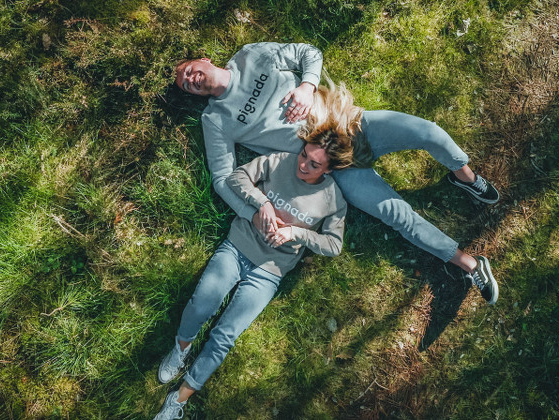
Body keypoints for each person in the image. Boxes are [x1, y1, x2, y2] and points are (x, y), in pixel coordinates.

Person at [174, 42, 498, 305]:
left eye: (188, 71)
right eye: (186, 86)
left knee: (429, 133)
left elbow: (308, 52)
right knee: (399, 217)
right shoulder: (216, 120)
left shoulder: (250, 56)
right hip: (332, 168)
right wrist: (256, 207)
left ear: (203, 60)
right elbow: (222, 177)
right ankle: (470, 264)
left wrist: (306, 86)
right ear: (194, 95)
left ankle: (465, 177)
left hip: (351, 124)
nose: (190, 79)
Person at [151, 128, 352, 420]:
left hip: (269, 272)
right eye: (304, 155)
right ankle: (182, 347)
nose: (303, 165)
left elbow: (333, 245)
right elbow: (237, 176)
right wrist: (263, 203)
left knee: (225, 336)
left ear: (330, 169)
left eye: (314, 164)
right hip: (237, 246)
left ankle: (178, 399)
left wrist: (296, 233)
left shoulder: (333, 199)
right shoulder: (281, 160)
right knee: (201, 303)